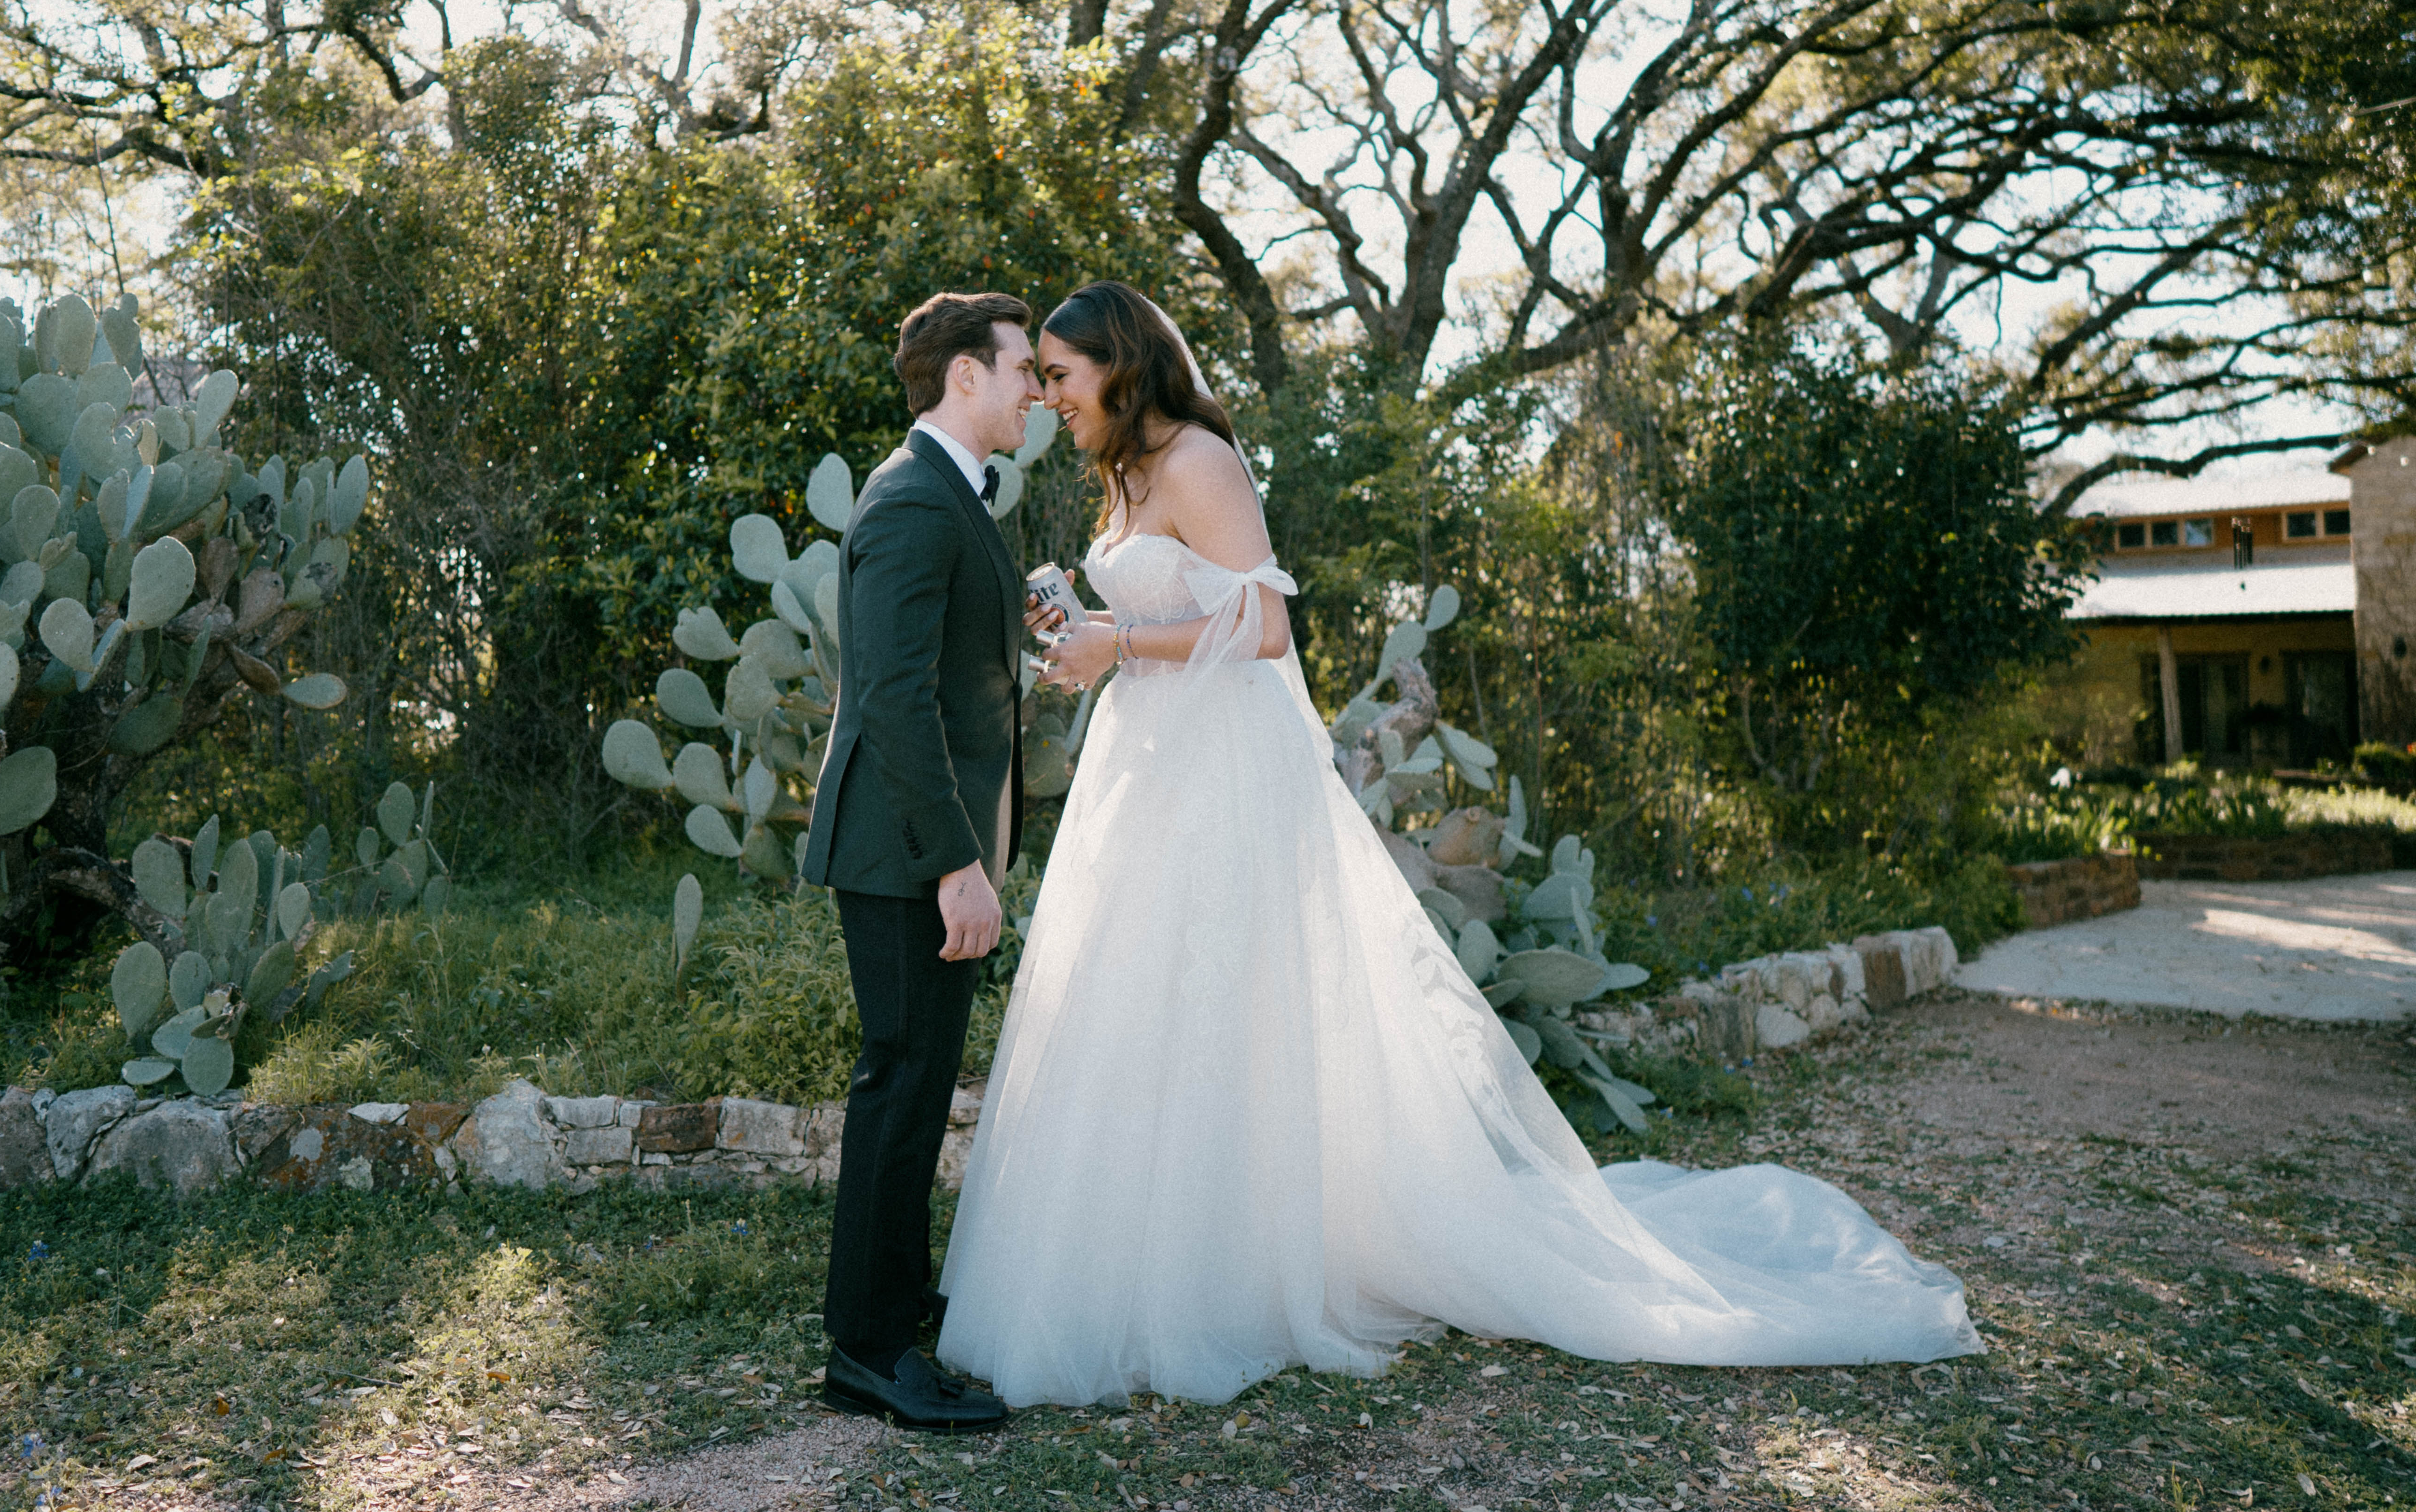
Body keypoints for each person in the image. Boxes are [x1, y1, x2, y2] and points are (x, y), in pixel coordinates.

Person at [932, 280, 1982, 1409]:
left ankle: (1222, 1273)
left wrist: (1121, 638)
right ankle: (1127, 1258)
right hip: (1144, 763)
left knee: (1212, 997)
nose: (1047, 393)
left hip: (1215, 774)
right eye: (1034, 373)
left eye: (1061, 372)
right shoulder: (1125, 474)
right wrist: (1098, 647)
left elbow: (1272, 623)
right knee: (1134, 998)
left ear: (1121, 364)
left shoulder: (1198, 460)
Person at [801, 290, 1039, 1433]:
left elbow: (935, 671)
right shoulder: (910, 499)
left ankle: (892, 1306)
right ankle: (871, 1351)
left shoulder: (948, 494)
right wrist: (955, 860)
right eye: (1021, 369)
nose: (1037, 389)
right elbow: (890, 697)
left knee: (914, 1079)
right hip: (905, 852)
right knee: (901, 1081)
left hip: (922, 848)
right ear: (965, 377)